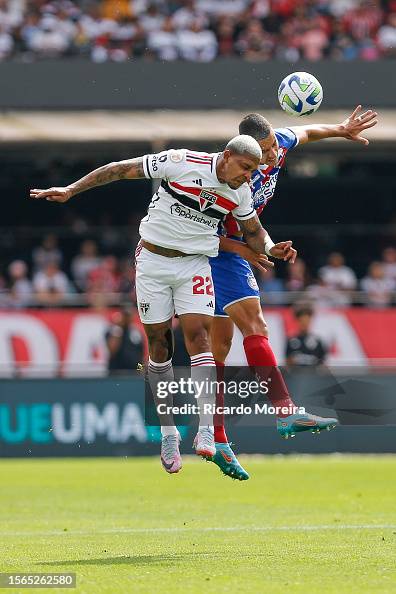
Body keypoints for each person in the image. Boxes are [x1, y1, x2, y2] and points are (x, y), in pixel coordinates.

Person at [30, 135, 294, 475]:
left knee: (200, 339)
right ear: (226, 156)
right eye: (245, 168)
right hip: (153, 263)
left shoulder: (239, 192)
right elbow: (118, 170)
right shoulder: (180, 161)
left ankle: (204, 433)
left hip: (196, 264)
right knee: (158, 348)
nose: (248, 177)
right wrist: (71, 190)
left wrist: (271, 248)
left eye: (252, 171)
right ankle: (168, 434)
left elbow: (254, 232)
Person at [209, 106, 377, 480]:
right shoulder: (226, 179)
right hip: (220, 252)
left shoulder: (277, 144)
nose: (270, 156)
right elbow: (202, 233)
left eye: (271, 147)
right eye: (263, 152)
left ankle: (218, 439)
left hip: (243, 247)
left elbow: (307, 132)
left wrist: (341, 129)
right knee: (253, 326)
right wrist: (252, 251)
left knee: (218, 349)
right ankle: (285, 412)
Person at [105, 307, 144, 374]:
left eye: (128, 316)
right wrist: (118, 328)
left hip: (133, 373)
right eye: (125, 316)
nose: (126, 319)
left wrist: (140, 370)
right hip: (116, 373)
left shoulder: (136, 332)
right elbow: (112, 351)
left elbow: (140, 356)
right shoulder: (113, 331)